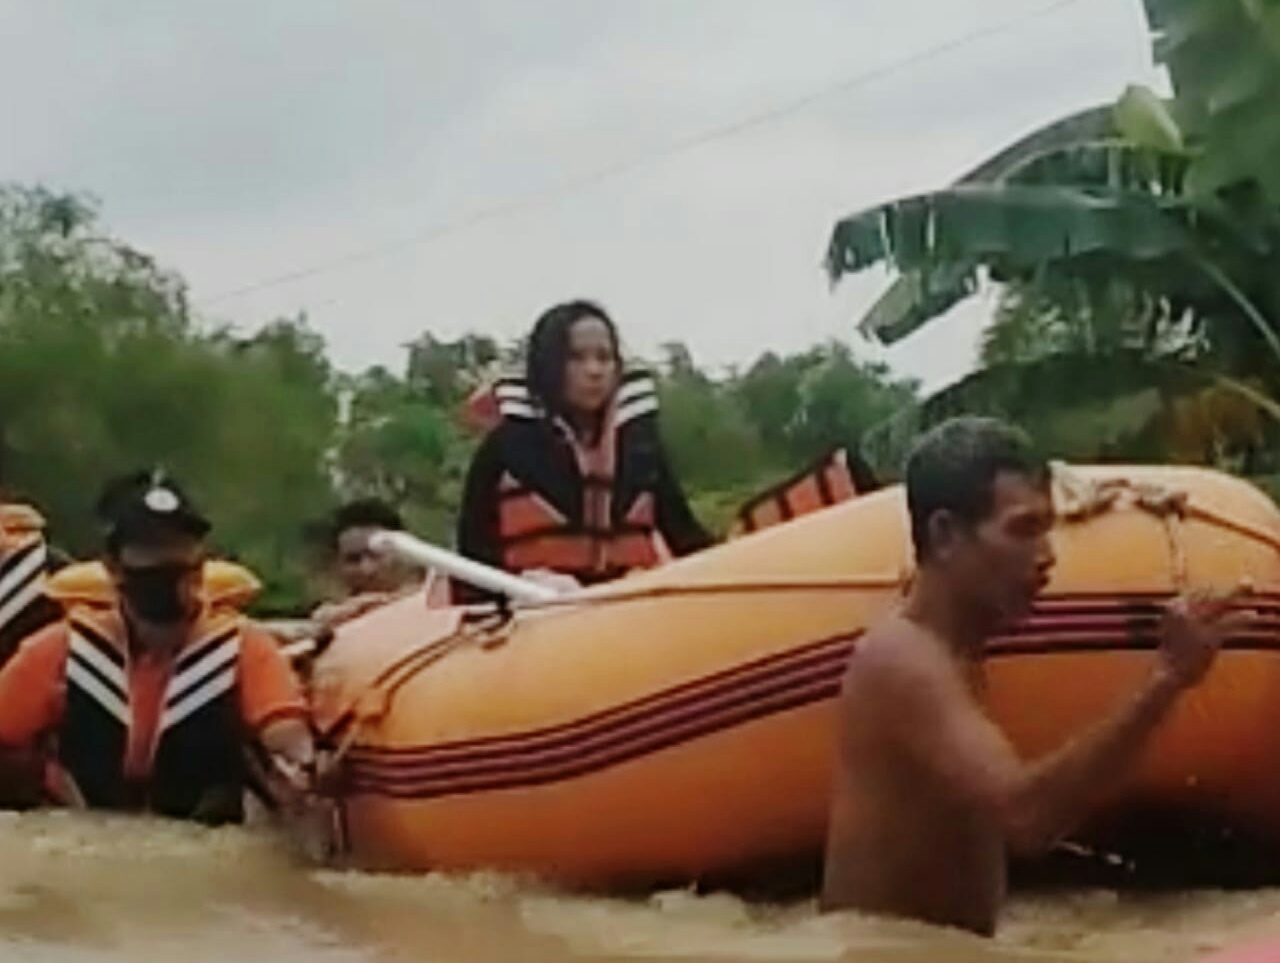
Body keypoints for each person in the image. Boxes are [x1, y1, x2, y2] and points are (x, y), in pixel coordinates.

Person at [820, 417, 1252, 936]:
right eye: (1023, 530)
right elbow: (1026, 820)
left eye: (1048, 528)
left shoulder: (956, 649)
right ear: (945, 535)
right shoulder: (904, 661)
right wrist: (1164, 680)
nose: (1047, 555)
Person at [0, 469, 317, 825]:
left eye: (180, 544)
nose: (167, 557)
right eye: (150, 546)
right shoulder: (59, 650)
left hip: (204, 853)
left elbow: (284, 729)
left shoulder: (245, 648)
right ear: (113, 566)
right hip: (81, 844)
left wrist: (301, 766)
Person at [455, 299, 711, 603]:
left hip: (630, 612)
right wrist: (520, 588)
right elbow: (473, 561)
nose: (594, 371)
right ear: (549, 365)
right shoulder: (504, 449)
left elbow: (686, 538)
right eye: (576, 358)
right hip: (533, 618)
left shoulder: (642, 451)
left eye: (604, 358)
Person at [309, 498, 431, 630]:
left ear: (402, 555)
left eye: (376, 555)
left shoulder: (442, 600)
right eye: (353, 559)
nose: (367, 569)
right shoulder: (331, 619)